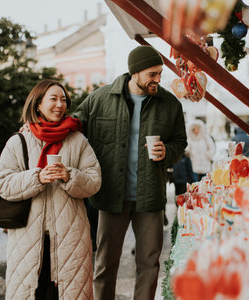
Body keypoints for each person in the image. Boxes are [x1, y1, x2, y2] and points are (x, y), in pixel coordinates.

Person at [73, 45, 187, 299]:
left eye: (160, 73)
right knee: (105, 264)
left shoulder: (169, 104)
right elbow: (74, 126)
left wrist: (167, 151)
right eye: (152, 74)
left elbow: (180, 141)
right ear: (134, 72)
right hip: (110, 196)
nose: (158, 79)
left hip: (150, 198)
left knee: (149, 263)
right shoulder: (100, 98)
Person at [0, 79, 102, 299]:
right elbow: (2, 183)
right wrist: (37, 177)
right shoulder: (19, 140)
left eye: (63, 100)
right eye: (53, 99)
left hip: (70, 238)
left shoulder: (78, 140)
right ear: (38, 104)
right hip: (27, 239)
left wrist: (70, 175)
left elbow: (94, 181)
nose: (60, 105)